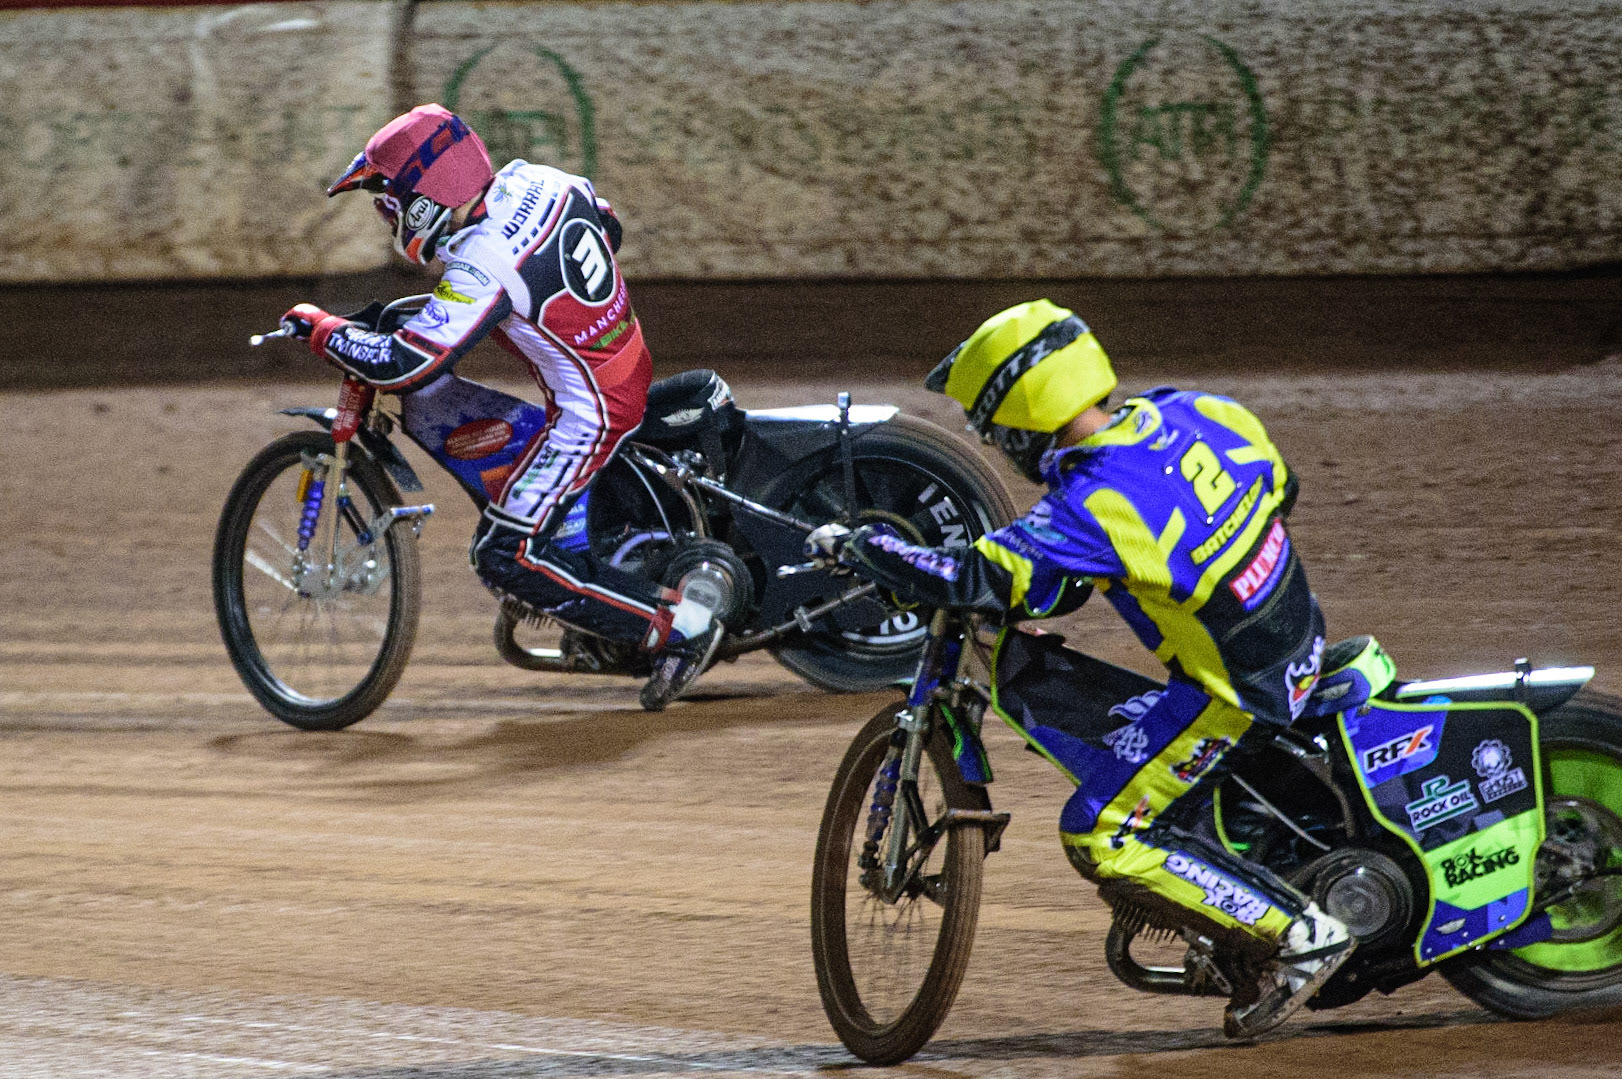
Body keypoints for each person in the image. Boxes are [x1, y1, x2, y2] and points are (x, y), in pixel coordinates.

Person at [809, 299, 1357, 1038]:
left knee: (1100, 830)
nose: (993, 442)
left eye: (990, 425)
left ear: (1022, 414)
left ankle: (1299, 936)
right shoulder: (1197, 410)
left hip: (1234, 693)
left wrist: (865, 545)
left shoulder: (1092, 500)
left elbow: (974, 577)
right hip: (1300, 637)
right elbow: (1281, 487)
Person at [278, 103, 720, 711]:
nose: (386, 216)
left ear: (427, 197)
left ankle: (679, 628)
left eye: (388, 200)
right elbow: (608, 227)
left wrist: (320, 328)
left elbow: (405, 364)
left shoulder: (482, 263)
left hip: (592, 412)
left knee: (503, 554)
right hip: (625, 356)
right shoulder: (539, 179)